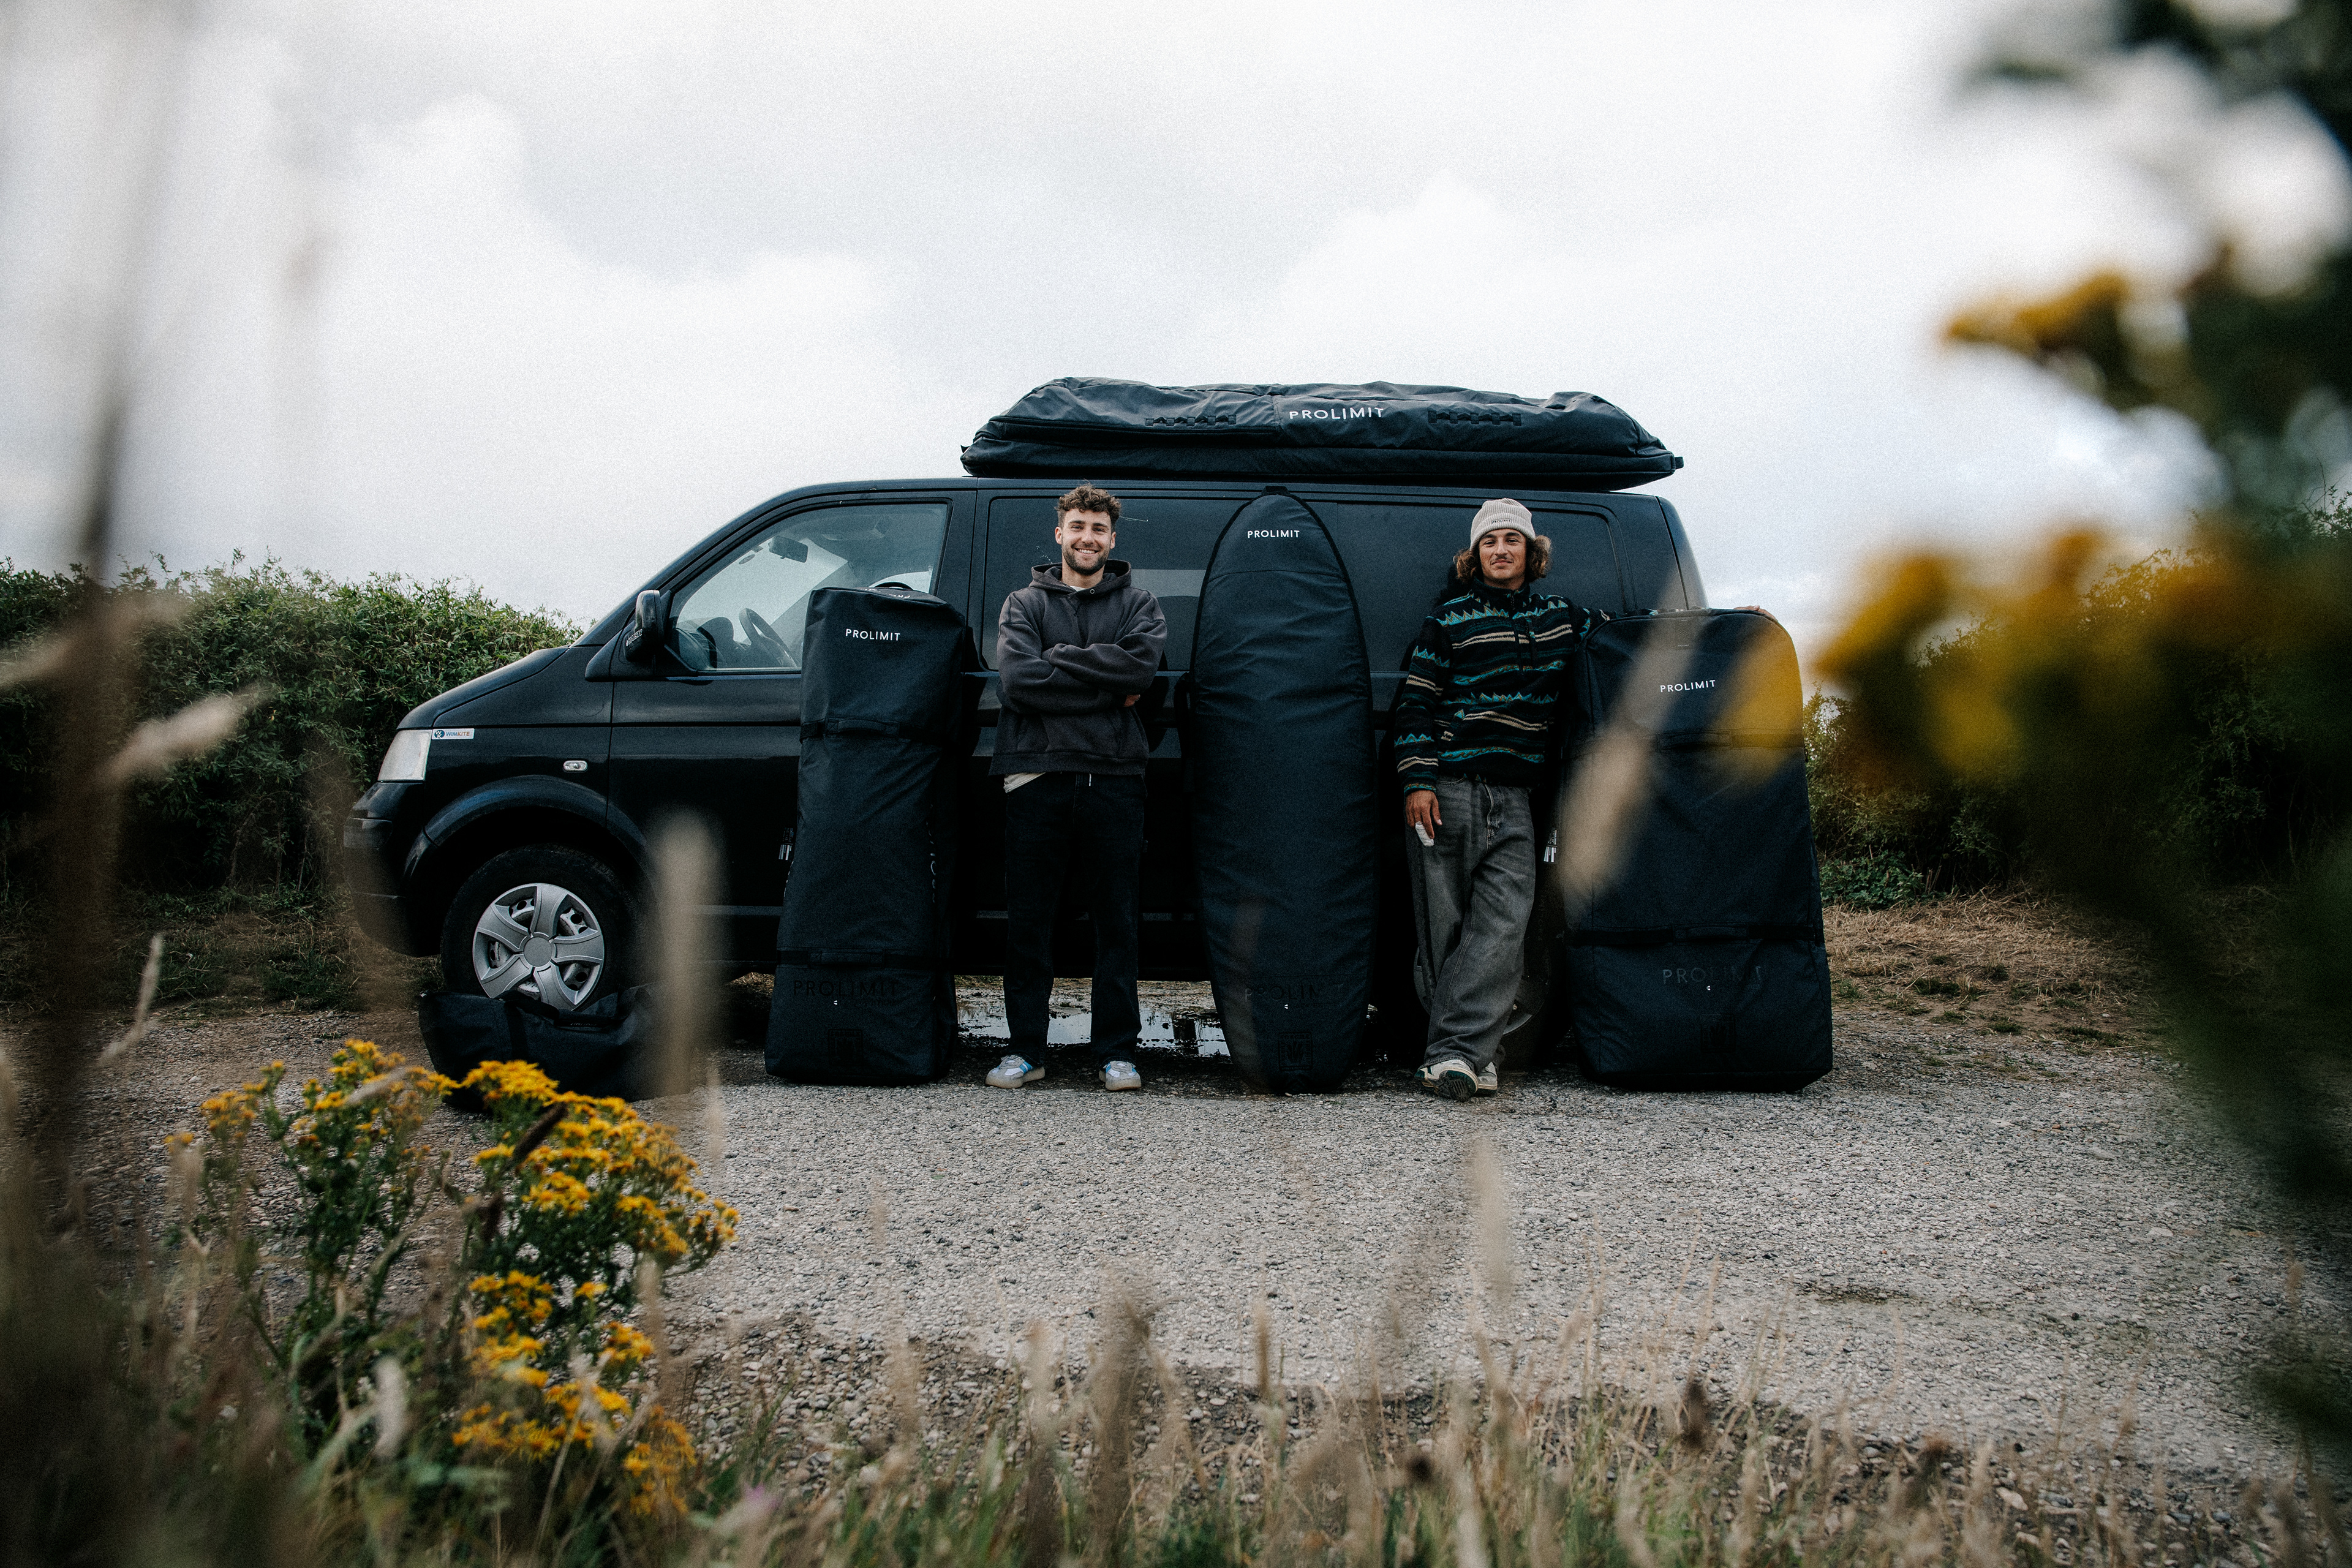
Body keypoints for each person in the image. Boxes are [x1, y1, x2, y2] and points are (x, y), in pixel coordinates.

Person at [1391, 497, 1607, 1102]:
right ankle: (1469, 1056)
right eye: (1490, 541)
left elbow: (1630, 632)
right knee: (1446, 933)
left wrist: (1724, 620)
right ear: (1475, 555)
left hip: (1515, 799)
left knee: (1503, 928)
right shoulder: (1449, 619)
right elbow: (1415, 703)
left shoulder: (1562, 618)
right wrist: (1418, 781)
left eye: (1512, 539)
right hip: (1449, 790)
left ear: (1531, 552)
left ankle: (1455, 1054)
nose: (1501, 550)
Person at [984, 483, 1167, 1093]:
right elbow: (1019, 681)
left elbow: (1140, 669)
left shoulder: (1140, 604)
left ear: (1112, 540)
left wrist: (1057, 658)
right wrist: (1108, 687)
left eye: (1098, 529)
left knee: (1116, 923)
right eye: (1078, 526)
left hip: (1114, 776)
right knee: (1030, 923)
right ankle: (1025, 1050)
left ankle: (1117, 1052)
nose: (1088, 538)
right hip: (1035, 776)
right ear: (1060, 533)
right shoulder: (1022, 604)